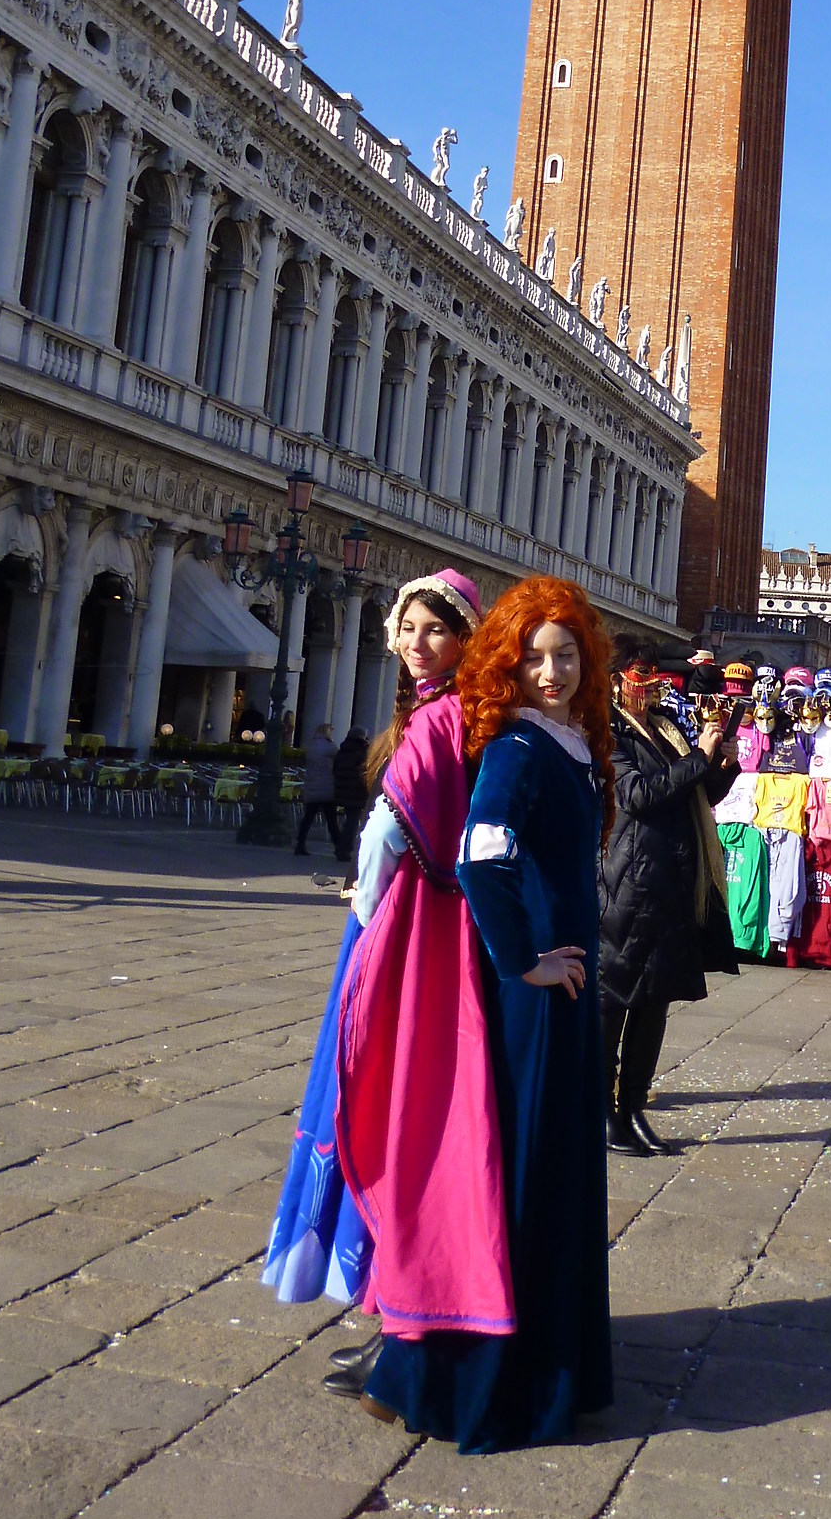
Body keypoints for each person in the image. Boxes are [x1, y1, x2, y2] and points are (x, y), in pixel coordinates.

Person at [361, 575, 616, 1452]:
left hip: (568, 991)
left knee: (555, 1169)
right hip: (538, 999)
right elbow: (479, 859)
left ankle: (545, 1363)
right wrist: (523, 960)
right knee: (525, 1172)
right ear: (509, 662)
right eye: (536, 657)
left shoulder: (570, 739)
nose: (553, 672)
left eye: (567, 655)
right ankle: (480, 1379)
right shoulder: (515, 747)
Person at [260, 568, 492, 1358]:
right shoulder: (459, 714)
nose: (417, 644)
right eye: (408, 629)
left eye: (435, 630)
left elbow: (386, 833)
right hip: (448, 923)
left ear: (464, 640)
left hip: (412, 930)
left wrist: (367, 911)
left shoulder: (436, 720)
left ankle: (391, 1298)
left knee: (378, 1089)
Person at [601, 641, 739, 1156]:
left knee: (654, 1001)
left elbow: (698, 795)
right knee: (614, 1003)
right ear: (618, 679)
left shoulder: (664, 726)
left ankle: (635, 1106)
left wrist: (720, 765)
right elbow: (638, 796)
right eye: (643, 677)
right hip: (628, 882)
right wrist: (698, 758)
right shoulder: (609, 730)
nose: (653, 685)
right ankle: (604, 1112)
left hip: (671, 878)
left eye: (656, 677)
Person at [294, 721, 341, 857]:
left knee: (308, 817)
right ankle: (338, 846)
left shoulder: (311, 745)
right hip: (326, 786)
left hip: (312, 785)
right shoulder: (329, 746)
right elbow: (338, 757)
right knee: (331, 819)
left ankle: (300, 843)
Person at [333, 722, 371, 866]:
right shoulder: (362, 751)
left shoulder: (343, 749)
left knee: (349, 820)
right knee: (353, 822)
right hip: (357, 791)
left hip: (343, 789)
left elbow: (335, 769)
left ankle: (341, 847)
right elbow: (365, 771)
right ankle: (345, 849)